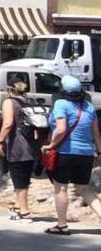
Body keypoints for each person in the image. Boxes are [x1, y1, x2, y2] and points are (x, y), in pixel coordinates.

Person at [43, 75, 101, 236]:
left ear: (63, 89)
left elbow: (60, 130)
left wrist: (51, 145)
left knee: (61, 188)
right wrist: (100, 152)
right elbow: (96, 133)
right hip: (86, 153)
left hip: (66, 152)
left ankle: (62, 225)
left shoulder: (61, 104)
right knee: (84, 188)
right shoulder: (88, 106)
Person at [0, 80, 36, 222]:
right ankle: (18, 207)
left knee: (18, 178)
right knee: (24, 177)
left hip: (16, 144)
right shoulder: (28, 102)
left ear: (9, 89)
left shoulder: (9, 102)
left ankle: (25, 212)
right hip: (30, 145)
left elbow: (8, 124)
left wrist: (0, 141)